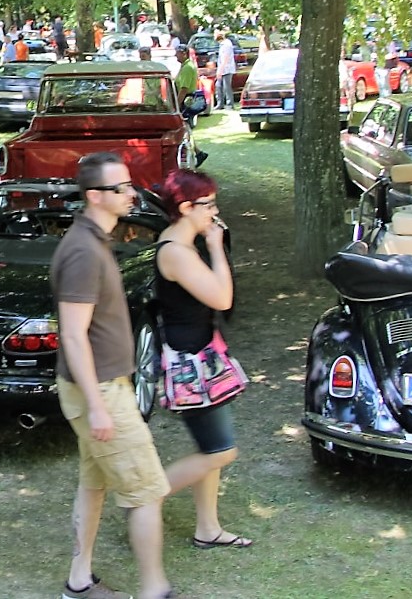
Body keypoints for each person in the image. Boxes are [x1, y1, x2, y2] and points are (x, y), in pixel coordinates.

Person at [52, 152, 172, 599]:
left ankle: (79, 582)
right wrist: (99, 406)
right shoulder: (82, 251)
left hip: (102, 387)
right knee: (146, 491)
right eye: (121, 188)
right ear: (94, 196)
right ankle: (155, 590)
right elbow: (74, 335)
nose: (132, 193)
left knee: (95, 483)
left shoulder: (96, 239)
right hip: (98, 391)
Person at [152, 169, 253, 553]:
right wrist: (215, 246)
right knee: (221, 451)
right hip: (190, 364)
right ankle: (146, 496)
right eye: (208, 204)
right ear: (185, 207)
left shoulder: (182, 243)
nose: (215, 211)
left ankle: (208, 527)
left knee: (211, 446)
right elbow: (222, 298)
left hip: (203, 355)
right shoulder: (176, 252)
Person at [215, 31, 236, 110]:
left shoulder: (226, 45)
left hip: (227, 69)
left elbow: (225, 59)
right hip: (223, 68)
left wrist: (220, 71)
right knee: (218, 86)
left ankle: (230, 104)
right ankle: (220, 104)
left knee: (227, 87)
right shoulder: (222, 44)